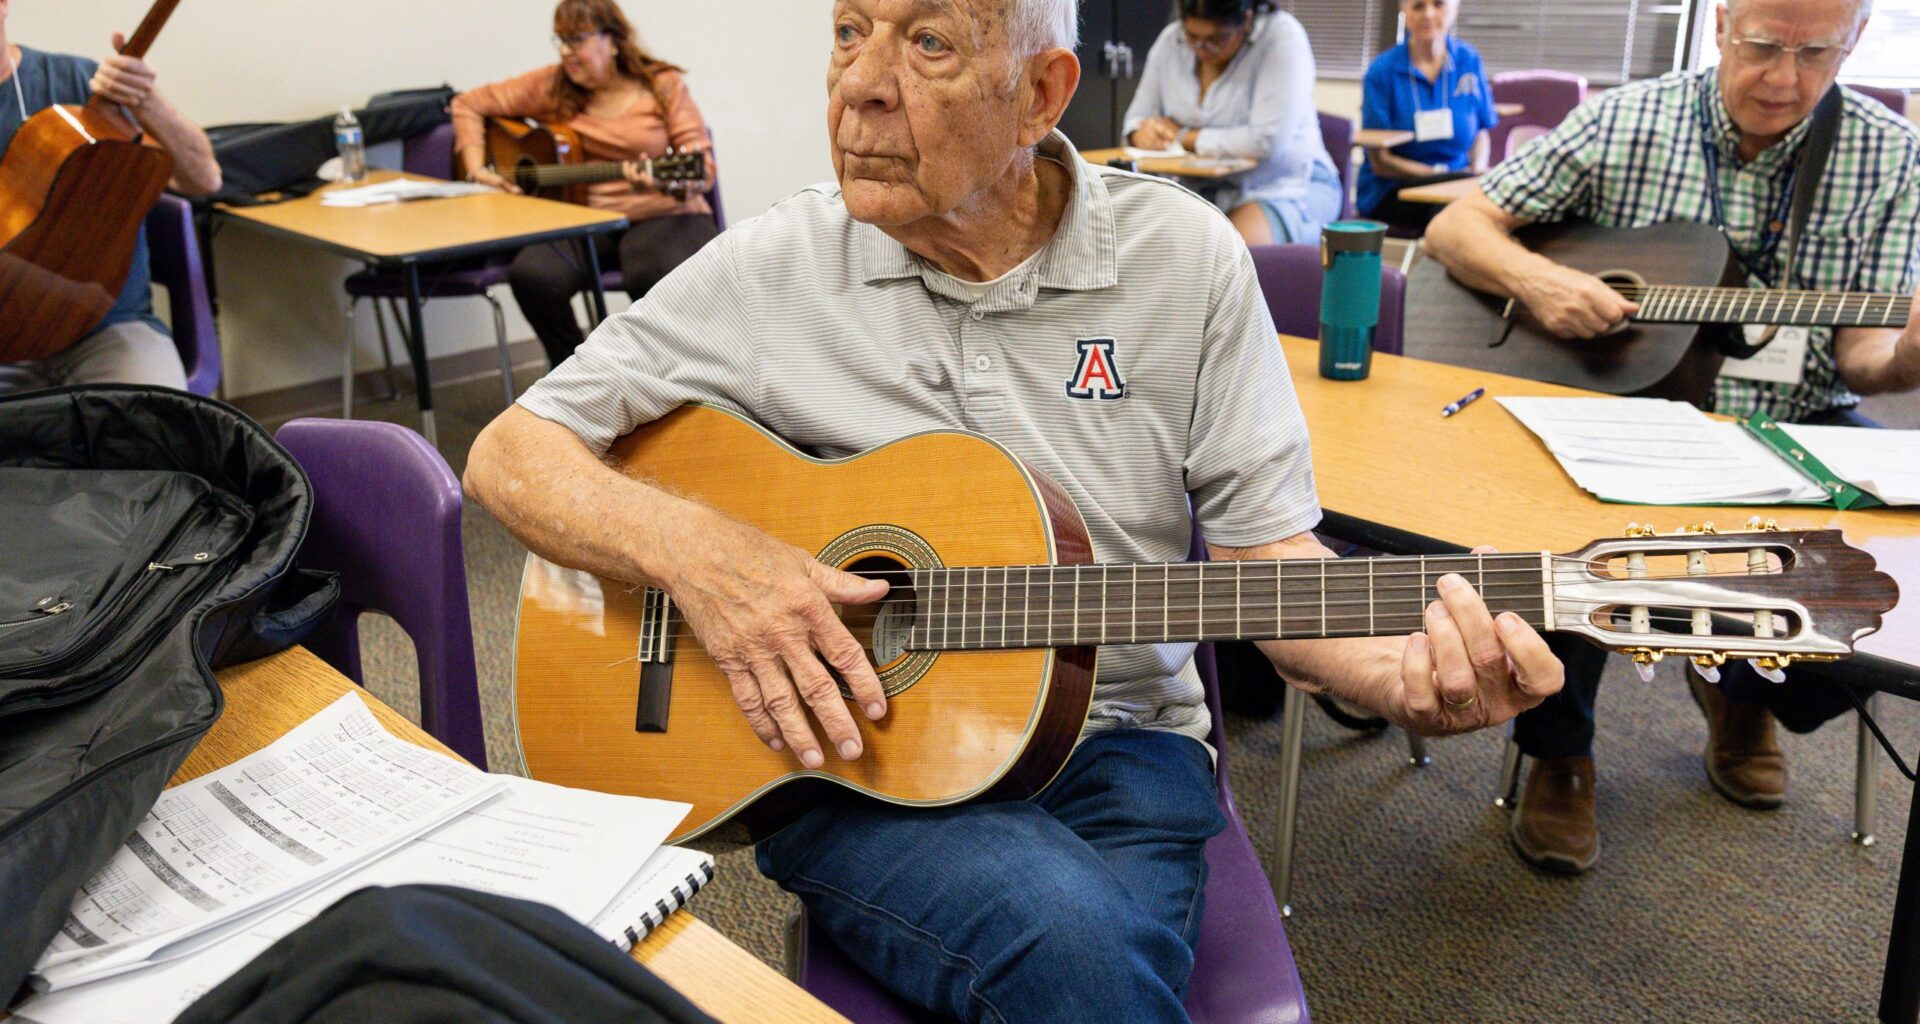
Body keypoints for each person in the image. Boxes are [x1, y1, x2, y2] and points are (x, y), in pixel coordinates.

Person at [465, 1, 1565, 1020]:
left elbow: (1269, 564)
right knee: (1079, 951)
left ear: (1042, 93)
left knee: (1088, 963)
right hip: (855, 753)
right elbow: (511, 452)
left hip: (1122, 743)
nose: (860, 86)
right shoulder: (775, 264)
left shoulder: (1185, 260)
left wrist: (1402, 681)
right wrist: (706, 556)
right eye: (850, 32)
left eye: (928, 43)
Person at [1424, 0, 1920, 875]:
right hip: (1628, 410)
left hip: (1794, 423)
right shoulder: (1628, 117)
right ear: (1723, 23)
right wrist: (1539, 284)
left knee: (1896, 554)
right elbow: (1455, 227)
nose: (1785, 78)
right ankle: (1560, 752)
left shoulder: (1889, 155)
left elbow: (1865, 356)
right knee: (1552, 524)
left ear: (1855, 39)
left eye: (1817, 54)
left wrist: (1909, 354)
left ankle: (1747, 685)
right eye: (1764, 46)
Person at [451, 0, 718, 369]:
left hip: (666, 213)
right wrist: (478, 169)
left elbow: (700, 165)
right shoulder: (553, 85)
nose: (565, 51)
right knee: (532, 275)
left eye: (576, 39)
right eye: (559, 40)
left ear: (612, 40)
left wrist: (671, 184)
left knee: (652, 275)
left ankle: (673, 383)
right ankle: (578, 372)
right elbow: (468, 103)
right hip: (588, 221)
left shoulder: (661, 86)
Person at [0, 2, 221, 395]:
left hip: (110, 330)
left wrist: (148, 102)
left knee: (150, 437)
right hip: (6, 345)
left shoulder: (78, 81)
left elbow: (203, 178)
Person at [1121, 0, 1343, 246]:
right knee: (1143, 247)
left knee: (1232, 253)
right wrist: (1142, 135)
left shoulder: (1281, 38)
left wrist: (1183, 137)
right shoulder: (1171, 40)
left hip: (1282, 187)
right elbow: (1135, 120)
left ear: (1246, 19)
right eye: (1193, 36)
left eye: (1218, 38)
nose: (1203, 48)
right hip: (1197, 187)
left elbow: (1265, 141)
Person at [1356, 0, 1498, 227]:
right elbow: (1380, 161)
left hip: (1459, 182)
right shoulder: (1382, 71)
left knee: (1487, 203)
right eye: (1418, 6)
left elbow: (1480, 132)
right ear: (1404, 11)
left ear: (1455, 8)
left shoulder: (1468, 60)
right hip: (1394, 190)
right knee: (1458, 209)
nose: (1429, 14)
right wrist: (1437, 177)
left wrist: (1477, 170)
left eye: (1438, 4)